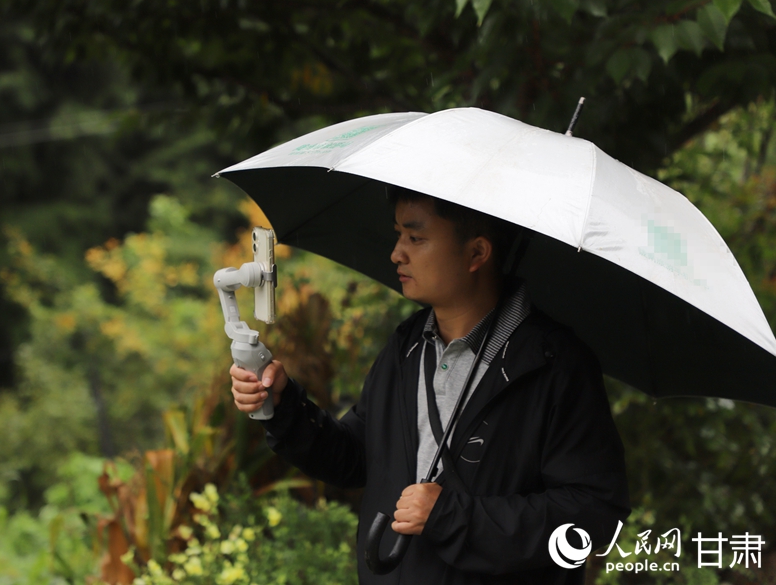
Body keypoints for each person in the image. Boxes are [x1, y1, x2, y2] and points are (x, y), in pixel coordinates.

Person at [230, 188, 631, 584]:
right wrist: (283, 406)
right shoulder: (407, 346)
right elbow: (358, 457)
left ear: (477, 253)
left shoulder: (554, 365)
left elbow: (593, 513)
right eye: (398, 235)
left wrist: (452, 518)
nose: (396, 253)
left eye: (416, 238)